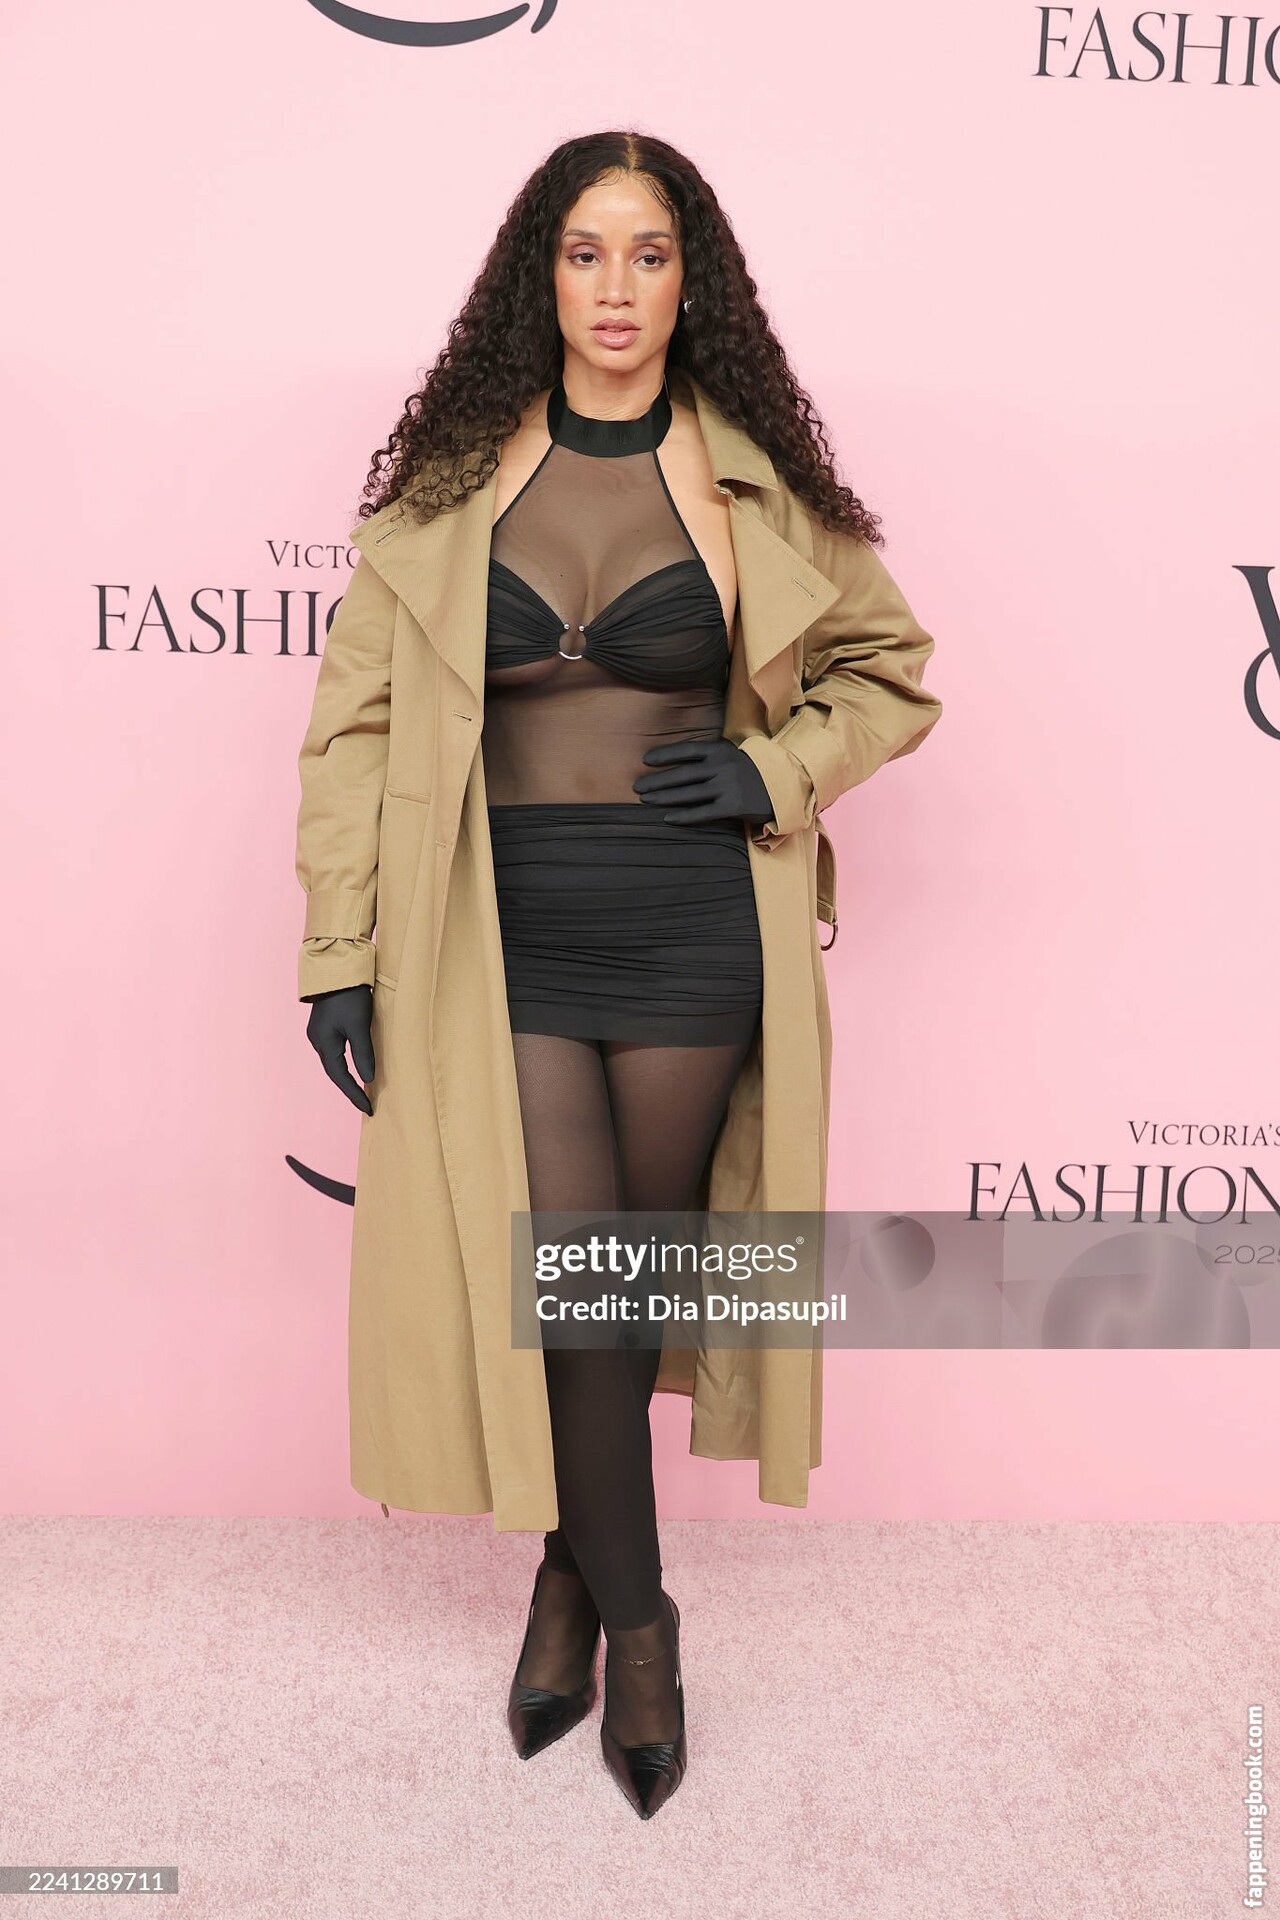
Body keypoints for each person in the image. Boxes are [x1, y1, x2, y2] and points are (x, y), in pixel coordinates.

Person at [297, 131, 942, 1821]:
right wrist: (340, 951)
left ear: (689, 282)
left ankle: (566, 1586)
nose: (615, 289)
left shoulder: (755, 492)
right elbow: (353, 733)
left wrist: (776, 767)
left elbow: (889, 673)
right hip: (494, 937)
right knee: (574, 1283)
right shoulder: (444, 491)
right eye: (585, 252)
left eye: (649, 255)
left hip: (689, 930)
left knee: (613, 1295)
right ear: (543, 274)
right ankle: (644, 1627)